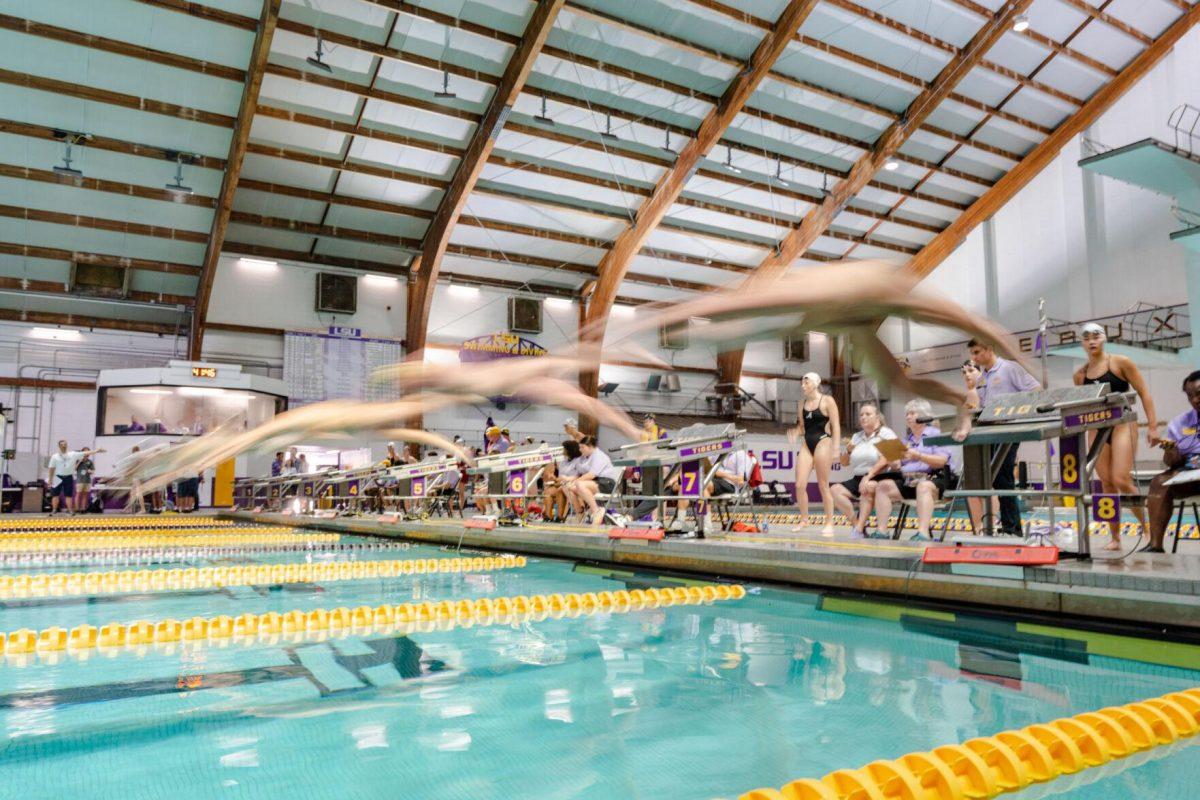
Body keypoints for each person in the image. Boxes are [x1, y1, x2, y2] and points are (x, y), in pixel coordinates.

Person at [1073, 322, 1159, 551]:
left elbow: (1144, 393)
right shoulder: (1080, 375)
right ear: (1081, 343)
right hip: (1097, 428)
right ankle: (1115, 538)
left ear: (1104, 339)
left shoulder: (1120, 363)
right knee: (1106, 484)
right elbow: (1083, 409)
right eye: (1087, 338)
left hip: (1123, 424)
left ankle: (1150, 530)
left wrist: (1152, 427)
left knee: (1121, 479)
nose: (1091, 341)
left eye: (1096, 336)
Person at [965, 338, 1040, 535]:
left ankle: (1012, 528)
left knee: (1003, 478)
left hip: (1008, 430)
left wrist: (1016, 413)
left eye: (977, 352)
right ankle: (1005, 526)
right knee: (995, 478)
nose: (974, 358)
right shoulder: (982, 377)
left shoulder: (1009, 368)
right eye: (972, 354)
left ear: (989, 349)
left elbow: (1035, 390)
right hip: (989, 432)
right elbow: (979, 406)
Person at [861, 399, 956, 540]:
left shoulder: (935, 434)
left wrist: (919, 456)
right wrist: (892, 461)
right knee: (883, 486)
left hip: (935, 479)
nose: (908, 417)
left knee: (923, 487)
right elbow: (898, 465)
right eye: (907, 414)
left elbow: (942, 461)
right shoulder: (906, 440)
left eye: (912, 413)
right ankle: (881, 532)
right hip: (910, 480)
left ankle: (923, 533)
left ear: (923, 416)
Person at [1145, 371, 1200, 552]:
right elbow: (1171, 462)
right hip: (1190, 473)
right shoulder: (1179, 423)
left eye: (1199, 394)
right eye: (1190, 396)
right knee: (1159, 482)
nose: (1195, 400)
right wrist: (1171, 452)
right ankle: (1155, 545)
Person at [830, 404, 899, 538]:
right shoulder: (856, 436)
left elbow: (894, 461)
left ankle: (859, 530)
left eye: (867, 414)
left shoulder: (886, 433)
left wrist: (868, 476)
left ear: (877, 417)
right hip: (858, 477)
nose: (863, 417)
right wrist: (848, 451)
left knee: (867, 488)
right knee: (835, 490)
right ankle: (857, 525)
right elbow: (844, 463)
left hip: (881, 476)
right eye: (861, 415)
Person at [787, 372, 841, 534]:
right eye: (802, 383)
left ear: (816, 383)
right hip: (807, 443)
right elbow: (802, 427)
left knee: (823, 485)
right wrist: (796, 432)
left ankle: (829, 523)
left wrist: (836, 448)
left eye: (806, 383)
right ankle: (804, 520)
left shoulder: (827, 400)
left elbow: (836, 426)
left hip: (823, 441)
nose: (803, 386)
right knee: (799, 484)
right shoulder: (801, 403)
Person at [560, 436, 621, 526]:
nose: (580, 450)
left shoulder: (599, 456)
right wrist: (568, 480)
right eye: (580, 447)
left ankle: (596, 511)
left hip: (607, 483)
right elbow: (579, 474)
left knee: (579, 484)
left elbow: (591, 475)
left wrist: (575, 481)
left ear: (590, 446)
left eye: (582, 447)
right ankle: (580, 513)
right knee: (566, 487)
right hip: (593, 482)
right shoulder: (584, 458)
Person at [47, 441, 104, 514]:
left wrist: (97, 450)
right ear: (59, 446)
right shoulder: (54, 456)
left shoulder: (73, 454)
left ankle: (70, 510)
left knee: (68, 495)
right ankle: (54, 510)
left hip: (68, 476)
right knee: (55, 495)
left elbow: (86, 453)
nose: (64, 446)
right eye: (62, 444)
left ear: (67, 445)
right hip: (57, 477)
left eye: (65, 444)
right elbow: (51, 468)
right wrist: (50, 479)